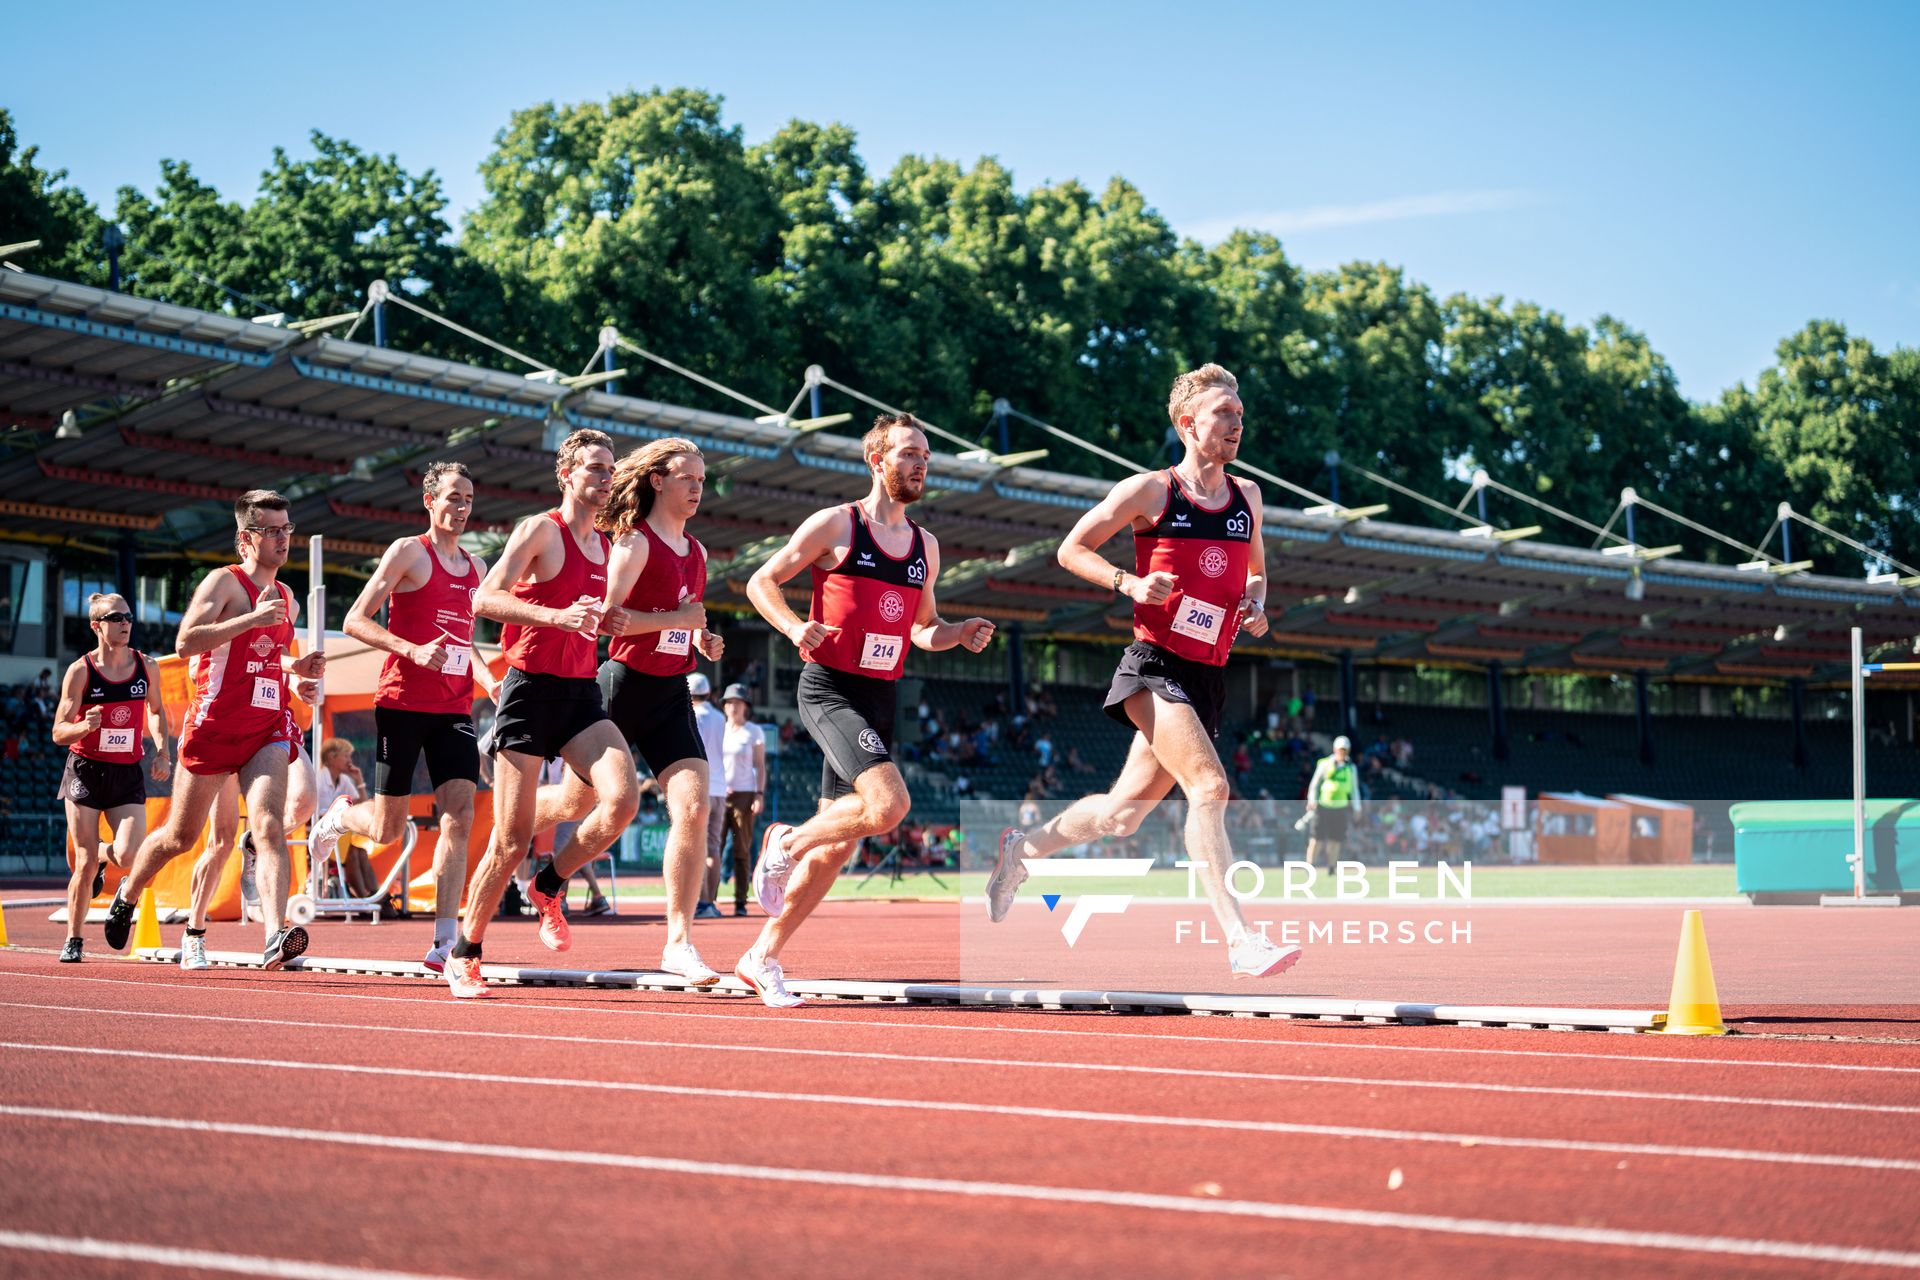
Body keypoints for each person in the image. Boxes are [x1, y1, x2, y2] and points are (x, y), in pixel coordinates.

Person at [986, 364, 1301, 980]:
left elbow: (1256, 572)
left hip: (1209, 674)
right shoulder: (1151, 492)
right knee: (1210, 788)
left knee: (1122, 814)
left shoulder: (1249, 498)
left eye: (1240, 415)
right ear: (1188, 423)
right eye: (1223, 415)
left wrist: (1255, 604)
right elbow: (1070, 549)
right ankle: (1240, 939)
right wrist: (1129, 582)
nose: (1237, 425)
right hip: (1154, 665)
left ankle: (1019, 848)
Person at [741, 413, 994, 1006]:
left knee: (839, 848)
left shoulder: (925, 546)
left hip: (881, 694)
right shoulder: (837, 525)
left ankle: (761, 957)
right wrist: (792, 627)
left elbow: (923, 629)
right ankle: (784, 840)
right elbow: (761, 581)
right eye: (908, 453)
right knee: (890, 805)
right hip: (830, 686)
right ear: (876, 460)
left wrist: (957, 633)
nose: (920, 464)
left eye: (926, 456)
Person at [442, 428, 638, 999]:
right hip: (528, 690)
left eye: (609, 470)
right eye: (594, 469)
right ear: (567, 475)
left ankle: (549, 884)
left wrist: (609, 622)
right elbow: (483, 599)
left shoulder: (608, 545)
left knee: (621, 798)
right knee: (511, 839)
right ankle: (465, 951)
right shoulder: (539, 531)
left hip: (580, 694)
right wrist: (556, 617)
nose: (604, 479)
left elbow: (592, 617)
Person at [103, 490, 326, 967]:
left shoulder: (288, 597)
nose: (283, 539)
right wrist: (252, 617)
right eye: (271, 530)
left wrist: (297, 670)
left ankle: (273, 933)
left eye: (287, 529)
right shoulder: (222, 584)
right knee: (179, 838)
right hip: (213, 728)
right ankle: (128, 890)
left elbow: (267, 656)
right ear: (245, 539)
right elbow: (185, 643)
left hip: (265, 727)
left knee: (267, 824)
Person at [308, 461, 497, 971]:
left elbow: (464, 637)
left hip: (454, 707)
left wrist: (488, 678)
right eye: (453, 497)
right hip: (402, 702)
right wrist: (411, 651)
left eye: (468, 499)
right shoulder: (409, 552)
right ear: (430, 501)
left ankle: (444, 942)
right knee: (389, 830)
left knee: (459, 813)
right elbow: (354, 620)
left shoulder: (478, 569)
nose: (461, 508)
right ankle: (340, 817)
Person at [52, 593, 170, 963]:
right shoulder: (81, 670)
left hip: (126, 772)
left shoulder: (146, 666)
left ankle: (107, 856)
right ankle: (74, 939)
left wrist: (163, 750)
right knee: (83, 862)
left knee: (129, 853)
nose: (125, 623)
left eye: (129, 616)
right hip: (85, 770)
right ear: (96, 625)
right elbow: (58, 732)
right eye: (115, 617)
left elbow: (156, 710)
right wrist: (82, 726)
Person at [718, 682, 767, 916]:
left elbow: (760, 765)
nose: (732, 707)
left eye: (737, 702)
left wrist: (759, 794)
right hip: (719, 793)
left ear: (745, 706)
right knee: (713, 848)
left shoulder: (753, 732)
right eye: (729, 702)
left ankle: (740, 901)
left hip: (744, 794)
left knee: (741, 849)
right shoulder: (719, 728)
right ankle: (709, 898)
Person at [689, 672, 727, 918]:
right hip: (720, 787)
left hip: (699, 786)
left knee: (696, 847)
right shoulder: (720, 716)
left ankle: (701, 901)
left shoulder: (691, 714)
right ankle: (710, 902)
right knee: (713, 848)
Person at [1303, 735, 1363, 868]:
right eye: (1340, 749)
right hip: (1323, 806)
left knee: (1335, 840)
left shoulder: (1351, 768)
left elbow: (1354, 790)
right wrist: (1311, 800)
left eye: (1344, 750)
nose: (1342, 752)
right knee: (1316, 839)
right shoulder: (1325, 764)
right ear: (1335, 749)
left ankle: (1331, 867)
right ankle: (1309, 866)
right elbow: (1314, 785)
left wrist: (1357, 808)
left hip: (1340, 808)